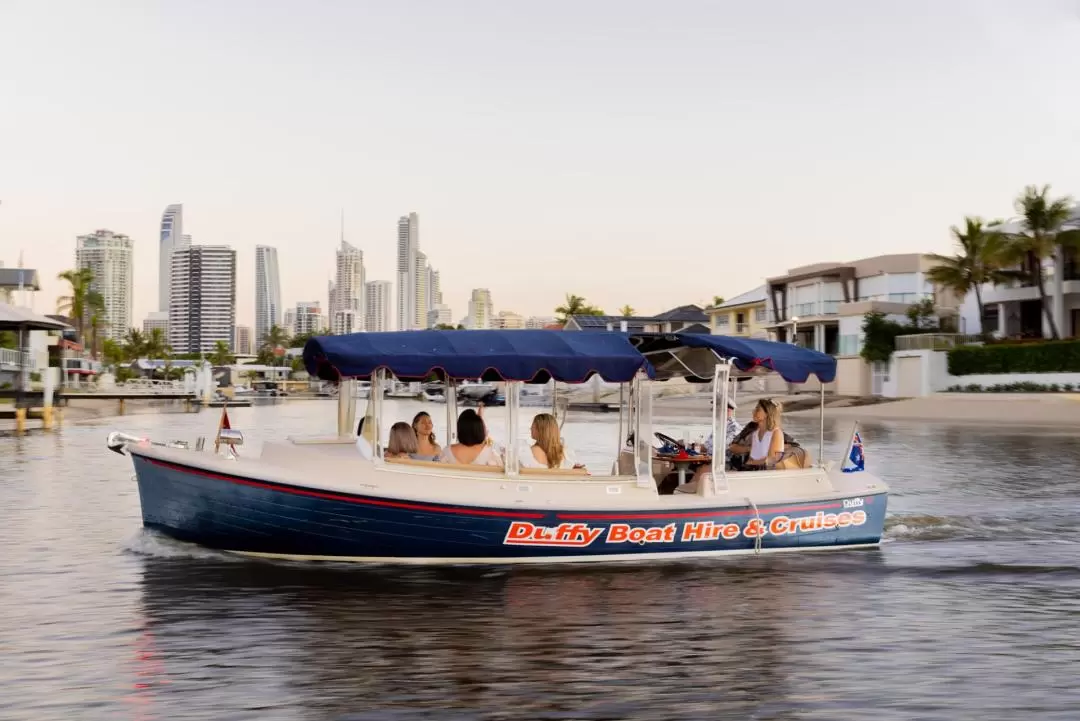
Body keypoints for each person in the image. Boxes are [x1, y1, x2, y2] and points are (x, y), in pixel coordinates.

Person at [731, 398, 785, 469]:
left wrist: (750, 463)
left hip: (767, 475)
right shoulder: (755, 434)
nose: (753, 412)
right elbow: (751, 458)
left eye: (758, 410)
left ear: (767, 414)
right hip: (754, 471)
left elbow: (773, 460)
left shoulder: (776, 433)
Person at [520, 413, 585, 470]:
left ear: (540, 430)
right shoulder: (565, 454)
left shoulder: (527, 452)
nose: (530, 428)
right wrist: (573, 469)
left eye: (533, 426)